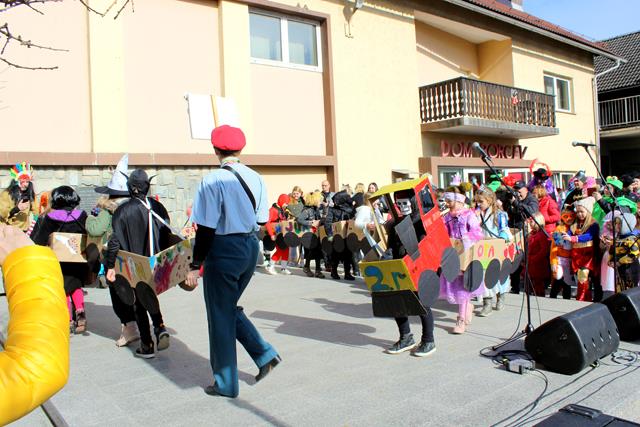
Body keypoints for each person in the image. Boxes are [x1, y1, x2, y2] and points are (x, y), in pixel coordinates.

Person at [185, 125, 280, 399]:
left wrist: (195, 265)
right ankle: (265, 355)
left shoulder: (212, 180)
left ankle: (226, 383)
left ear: (215, 149)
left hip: (224, 248)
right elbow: (262, 220)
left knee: (219, 314)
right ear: (240, 149)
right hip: (249, 247)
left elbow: (206, 228)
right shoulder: (256, 177)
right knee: (226, 308)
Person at [105, 169, 171, 358]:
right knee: (148, 293)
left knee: (137, 302)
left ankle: (147, 344)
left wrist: (110, 266)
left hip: (133, 263)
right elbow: (166, 232)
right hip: (155, 262)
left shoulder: (122, 211)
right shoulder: (157, 207)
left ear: (131, 188)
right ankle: (159, 326)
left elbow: (115, 241)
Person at [86, 154, 140, 347]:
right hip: (135, 255)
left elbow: (95, 229)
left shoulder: (108, 210)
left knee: (119, 293)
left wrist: (91, 217)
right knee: (135, 291)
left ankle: (129, 329)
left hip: (115, 257)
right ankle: (143, 328)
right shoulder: (136, 206)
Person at [31, 186, 92, 333]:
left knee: (63, 289)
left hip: (59, 261)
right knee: (76, 285)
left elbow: (39, 241)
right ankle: (80, 313)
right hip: (78, 259)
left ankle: (68, 319)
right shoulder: (82, 215)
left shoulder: (51, 217)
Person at [383, 189, 436, 357]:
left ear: (413, 202)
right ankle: (406, 337)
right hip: (399, 267)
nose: (402, 206)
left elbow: (426, 244)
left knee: (422, 304)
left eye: (405, 203)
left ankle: (428, 340)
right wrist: (387, 256)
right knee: (397, 303)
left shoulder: (422, 222)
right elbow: (391, 245)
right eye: (398, 204)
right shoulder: (395, 223)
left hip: (418, 267)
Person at [440, 183, 484, 334]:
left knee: (464, 286)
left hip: (467, 255)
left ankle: (461, 319)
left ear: (459, 200)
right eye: (446, 200)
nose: (446, 203)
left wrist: (466, 239)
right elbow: (443, 233)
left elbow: (478, 232)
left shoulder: (468, 215)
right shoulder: (446, 216)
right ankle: (467, 306)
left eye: (449, 200)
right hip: (452, 255)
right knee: (456, 286)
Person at [474, 188, 512, 315]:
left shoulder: (499, 214)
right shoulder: (477, 214)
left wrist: (501, 239)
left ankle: (501, 296)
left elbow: (504, 230)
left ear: (489, 200)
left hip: (495, 248)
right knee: (484, 275)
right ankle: (487, 303)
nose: (478, 204)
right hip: (482, 248)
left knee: (498, 274)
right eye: (477, 201)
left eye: (481, 201)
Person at [562, 197, 599, 301]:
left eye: (582, 212)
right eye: (577, 212)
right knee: (579, 277)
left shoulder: (593, 224)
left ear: (588, 211)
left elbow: (588, 236)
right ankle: (585, 297)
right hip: (576, 254)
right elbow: (569, 233)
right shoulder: (575, 223)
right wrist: (563, 236)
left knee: (584, 275)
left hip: (587, 255)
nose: (579, 214)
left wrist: (573, 238)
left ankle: (582, 299)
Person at [507, 181, 539, 294]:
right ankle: (515, 287)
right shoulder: (514, 198)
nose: (518, 193)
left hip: (526, 233)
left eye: (519, 191)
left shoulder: (532, 199)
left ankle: (529, 288)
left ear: (525, 189)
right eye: (516, 191)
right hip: (514, 232)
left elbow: (531, 212)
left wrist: (516, 203)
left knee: (524, 261)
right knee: (514, 260)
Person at [0, 162, 39, 233]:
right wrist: (17, 209)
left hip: (24, 230)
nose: (25, 184)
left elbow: (36, 210)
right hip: (8, 229)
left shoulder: (30, 193)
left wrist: (32, 227)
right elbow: (2, 213)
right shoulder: (6, 194)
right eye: (22, 182)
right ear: (16, 182)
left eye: (27, 182)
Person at [325, 190, 355, 280]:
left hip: (348, 235)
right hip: (336, 235)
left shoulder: (350, 209)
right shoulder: (332, 209)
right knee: (336, 255)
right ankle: (334, 272)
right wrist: (330, 235)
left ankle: (347, 273)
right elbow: (328, 222)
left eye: (336, 200)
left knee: (348, 255)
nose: (334, 202)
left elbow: (354, 220)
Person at [297, 191, 325, 278]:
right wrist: (311, 223)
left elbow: (318, 219)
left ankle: (317, 270)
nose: (320, 202)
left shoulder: (316, 209)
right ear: (314, 200)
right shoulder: (307, 210)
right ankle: (307, 267)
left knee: (318, 252)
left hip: (316, 234)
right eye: (319, 200)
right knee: (311, 251)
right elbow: (299, 220)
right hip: (308, 235)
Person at [549, 209, 576, 299]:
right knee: (558, 276)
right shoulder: (559, 229)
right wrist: (553, 261)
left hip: (570, 259)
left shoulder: (575, 228)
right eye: (566, 216)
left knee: (568, 280)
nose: (569, 219)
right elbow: (554, 247)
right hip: (559, 258)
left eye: (571, 216)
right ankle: (553, 295)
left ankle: (566, 298)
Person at [265, 194, 292, 275]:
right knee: (280, 250)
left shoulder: (282, 210)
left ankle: (283, 268)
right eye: (285, 203)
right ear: (281, 201)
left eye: (287, 203)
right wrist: (271, 234)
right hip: (275, 233)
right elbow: (267, 222)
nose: (286, 205)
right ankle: (270, 266)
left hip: (282, 233)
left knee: (286, 249)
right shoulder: (273, 210)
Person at [527, 212, 551, 297]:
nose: (530, 223)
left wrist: (534, 258)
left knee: (538, 284)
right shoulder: (532, 234)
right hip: (531, 262)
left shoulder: (542, 235)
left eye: (532, 221)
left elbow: (544, 250)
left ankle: (540, 296)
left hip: (538, 264)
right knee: (531, 282)